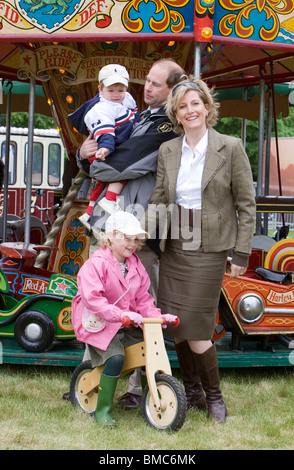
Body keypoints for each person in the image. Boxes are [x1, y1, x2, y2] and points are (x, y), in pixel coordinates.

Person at [74, 58, 185, 409]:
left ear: (172, 90)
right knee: (95, 296)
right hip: (114, 223)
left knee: (139, 301)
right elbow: (103, 148)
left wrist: (92, 159)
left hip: (137, 226)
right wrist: (83, 152)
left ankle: (140, 386)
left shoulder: (166, 124)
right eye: (147, 82)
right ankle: (89, 376)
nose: (146, 88)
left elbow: (120, 163)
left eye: (155, 83)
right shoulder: (137, 116)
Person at [144, 77, 256, 423]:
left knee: (196, 327)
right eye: (182, 106)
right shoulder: (168, 150)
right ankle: (190, 393)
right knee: (175, 323)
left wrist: (241, 254)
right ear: (175, 114)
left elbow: (246, 205)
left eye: (196, 103)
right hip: (175, 244)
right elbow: (160, 198)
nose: (190, 110)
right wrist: (143, 236)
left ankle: (215, 398)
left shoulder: (231, 147)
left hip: (210, 248)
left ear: (207, 107)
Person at [71, 211, 177, 427]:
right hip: (99, 323)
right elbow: (93, 300)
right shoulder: (96, 264)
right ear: (111, 237)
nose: (133, 244)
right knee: (116, 359)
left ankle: (152, 395)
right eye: (128, 238)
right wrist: (120, 314)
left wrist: (158, 318)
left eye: (136, 239)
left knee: (152, 346)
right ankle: (102, 411)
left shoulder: (136, 266)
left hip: (125, 322)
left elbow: (144, 299)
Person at [69, 63, 140, 220]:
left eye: (120, 90)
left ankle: (89, 213)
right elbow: (106, 131)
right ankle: (109, 199)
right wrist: (106, 148)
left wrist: (136, 121)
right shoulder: (101, 108)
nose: (116, 94)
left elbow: (135, 112)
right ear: (100, 89)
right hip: (104, 148)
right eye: (111, 90)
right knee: (122, 170)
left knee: (101, 182)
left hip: (112, 145)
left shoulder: (125, 99)